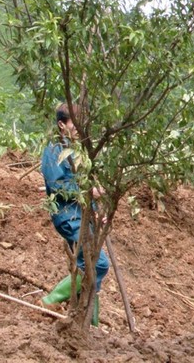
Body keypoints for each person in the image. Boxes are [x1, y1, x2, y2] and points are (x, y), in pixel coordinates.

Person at [39, 102, 110, 326]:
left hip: (84, 214)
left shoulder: (80, 152)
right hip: (68, 215)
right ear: (62, 124)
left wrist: (97, 212)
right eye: (75, 123)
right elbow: (58, 185)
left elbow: (86, 185)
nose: (81, 128)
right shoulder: (54, 150)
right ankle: (50, 300)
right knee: (97, 265)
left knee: (88, 265)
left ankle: (91, 323)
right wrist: (90, 193)